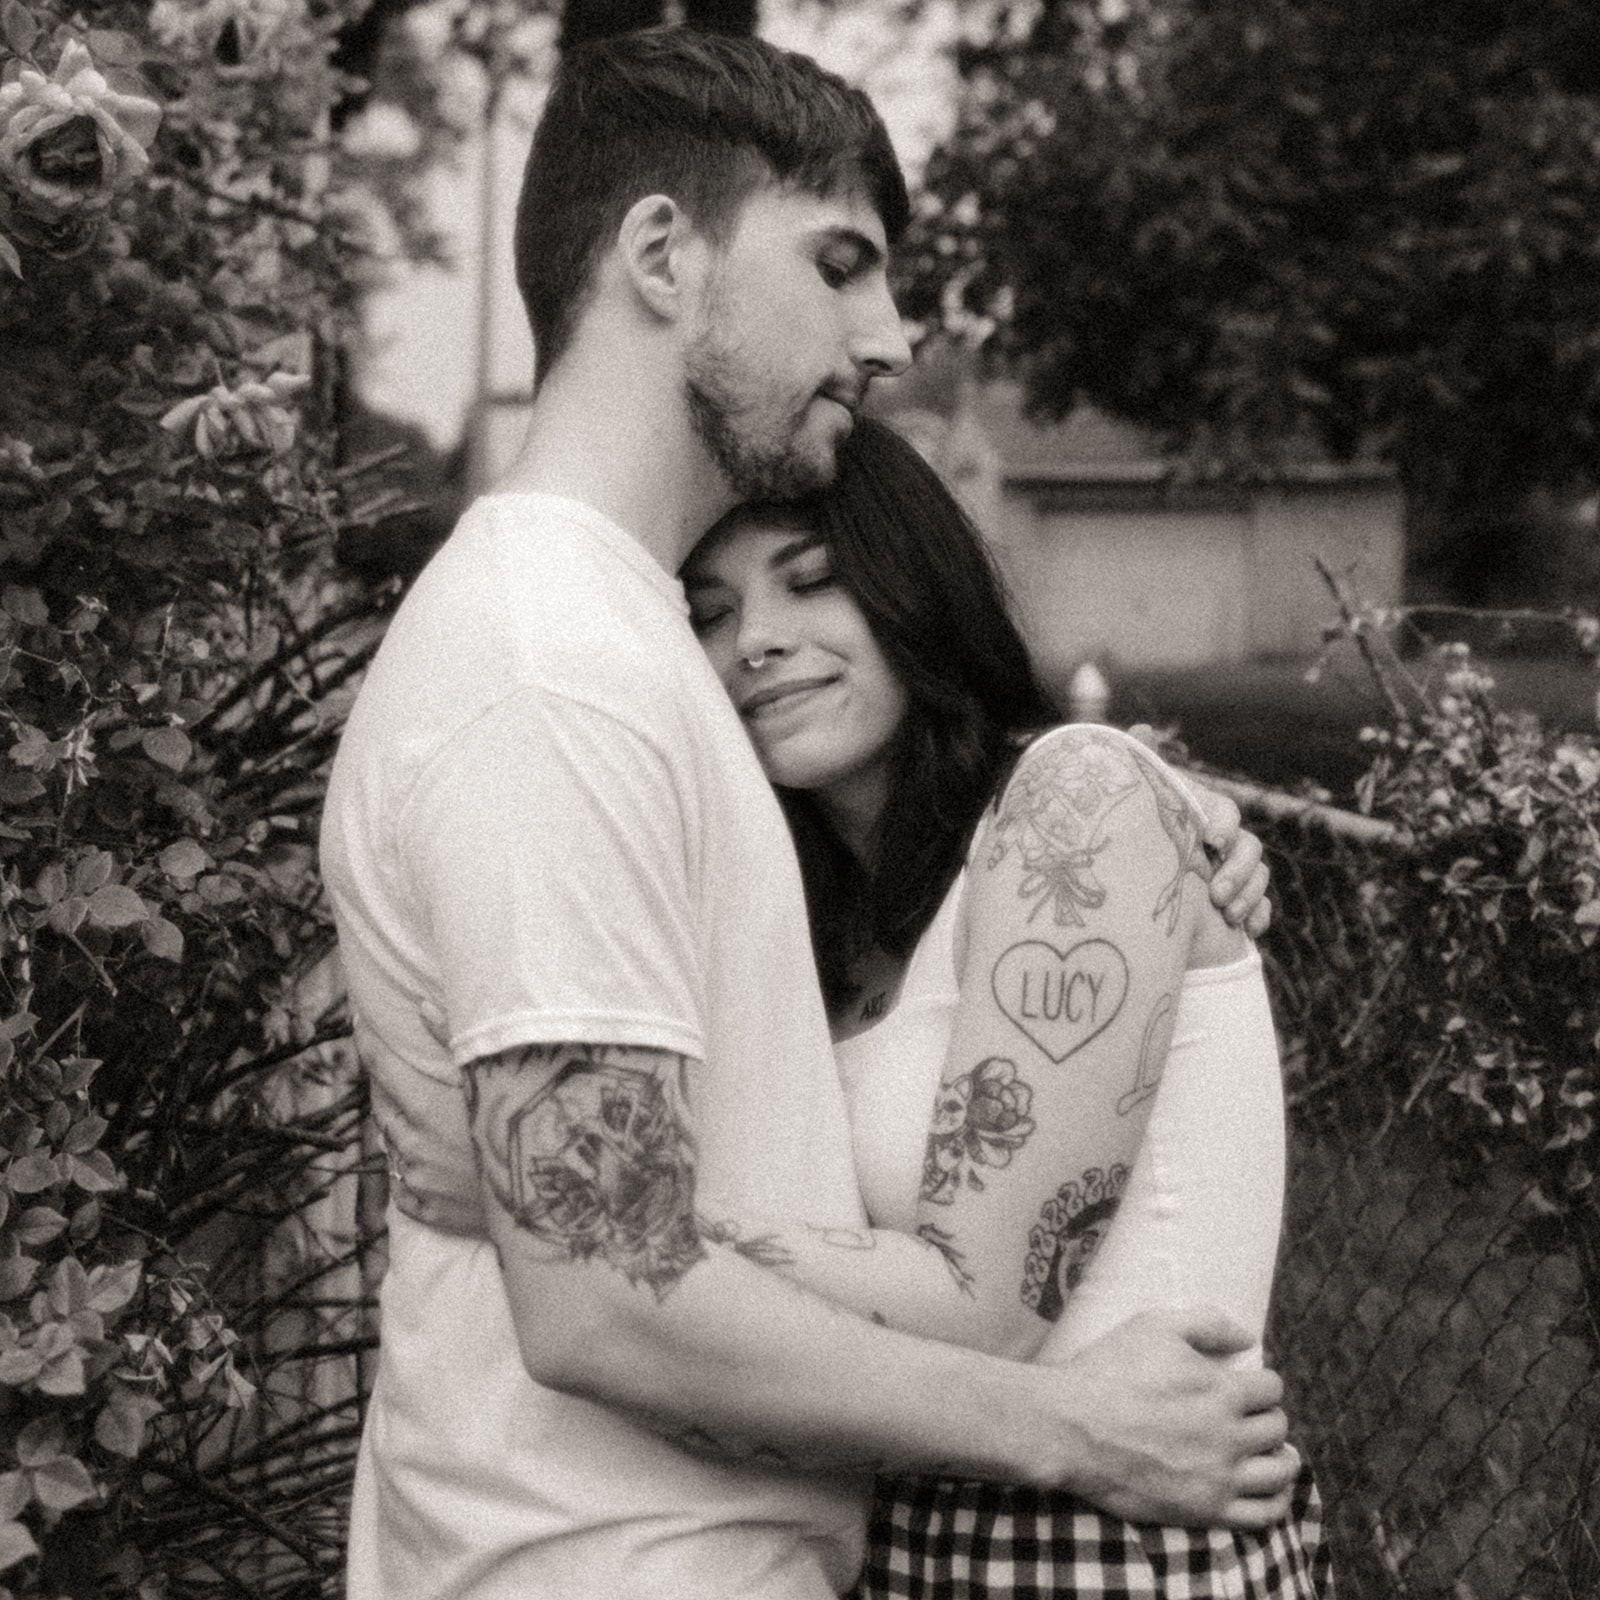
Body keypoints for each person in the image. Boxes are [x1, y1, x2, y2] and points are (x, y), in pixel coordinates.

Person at [320, 27, 1298, 1600]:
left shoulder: (621, 653)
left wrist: (1127, 808)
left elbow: (612, 1228)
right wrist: (1064, 1427)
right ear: (661, 253)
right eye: (840, 263)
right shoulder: (553, 672)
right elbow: (603, 1298)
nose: (891, 332)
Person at [681, 414, 1332, 1597]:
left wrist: (619, 1221)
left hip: (1122, 1541)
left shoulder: (1074, 805)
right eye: (711, 613)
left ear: (910, 586)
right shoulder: (815, 921)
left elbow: (983, 1308)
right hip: (914, 1529)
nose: (756, 645)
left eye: (810, 582)